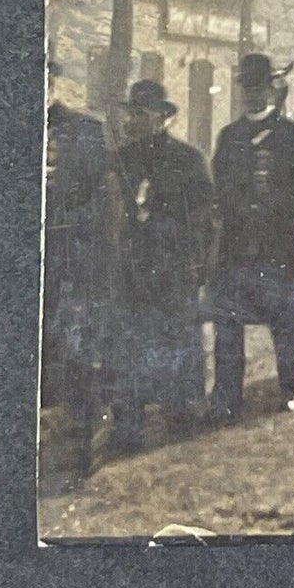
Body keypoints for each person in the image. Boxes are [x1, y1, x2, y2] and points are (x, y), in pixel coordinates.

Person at [108, 78, 217, 450]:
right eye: (131, 113)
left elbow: (204, 220)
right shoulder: (121, 159)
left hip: (173, 268)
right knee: (131, 343)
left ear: (162, 117)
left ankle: (182, 414)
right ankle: (129, 424)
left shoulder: (189, 160)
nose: (133, 121)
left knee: (179, 340)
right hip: (133, 268)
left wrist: (195, 267)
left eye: (141, 114)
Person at [206, 54, 294, 423]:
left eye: (260, 88)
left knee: (283, 322)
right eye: (247, 89)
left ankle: (292, 388)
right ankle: (227, 396)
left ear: (272, 89)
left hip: (277, 244)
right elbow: (219, 186)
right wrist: (240, 211)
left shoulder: (292, 136)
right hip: (238, 246)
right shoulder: (229, 136)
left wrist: (272, 215)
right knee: (228, 323)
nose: (253, 96)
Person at [43, 55, 117, 477]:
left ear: (54, 81)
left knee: (75, 354)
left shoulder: (84, 131)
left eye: (44, 77)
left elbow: (102, 203)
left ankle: (84, 448)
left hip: (69, 264)